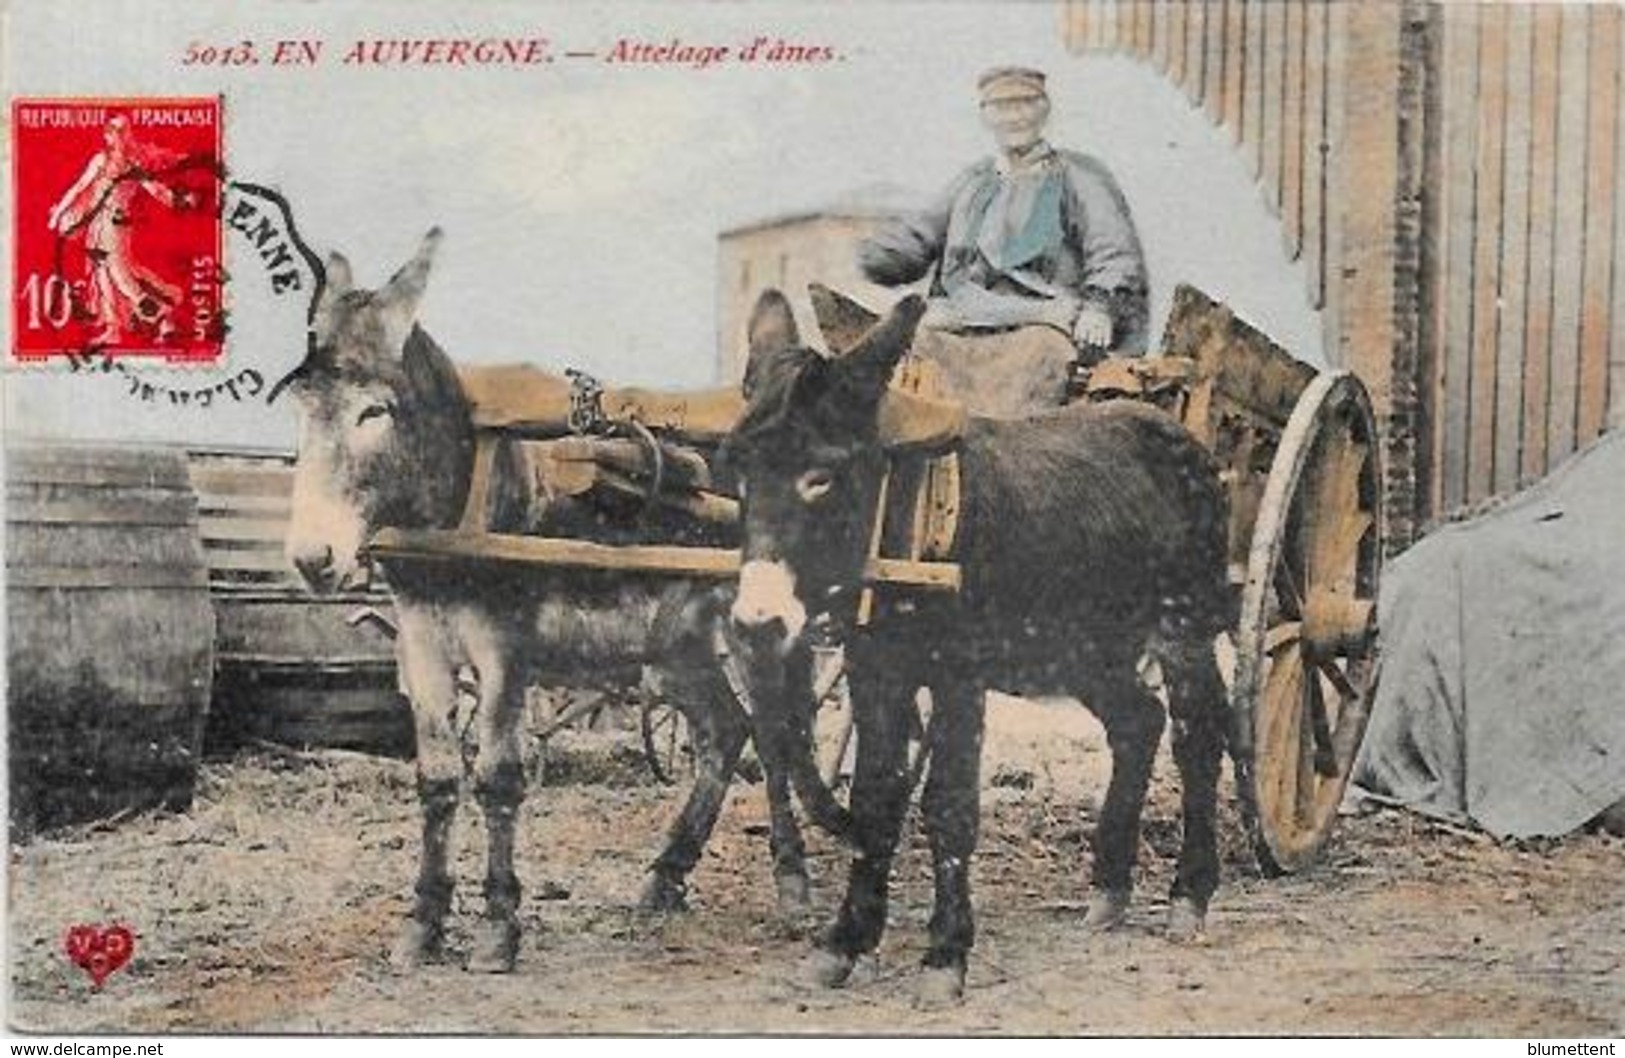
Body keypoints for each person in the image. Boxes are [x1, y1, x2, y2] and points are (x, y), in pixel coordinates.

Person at [857, 66, 1150, 416]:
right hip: (961, 320)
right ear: (985, 116)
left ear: (1044, 109)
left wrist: (1100, 307)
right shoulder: (971, 183)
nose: (1014, 117)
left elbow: (1113, 250)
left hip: (1042, 320)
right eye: (1000, 107)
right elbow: (921, 234)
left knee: (1041, 358)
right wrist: (881, 256)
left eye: (1024, 104)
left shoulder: (1079, 176)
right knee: (912, 357)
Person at [48, 116, 192, 345]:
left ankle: (164, 315)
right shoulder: (101, 160)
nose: (117, 135)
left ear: (127, 134)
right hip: (97, 224)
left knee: (121, 276)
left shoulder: (133, 163)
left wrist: (178, 201)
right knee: (104, 275)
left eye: (121, 130)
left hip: (116, 225)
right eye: (113, 130)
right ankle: (113, 328)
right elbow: (79, 188)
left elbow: (155, 189)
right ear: (106, 135)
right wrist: (58, 214)